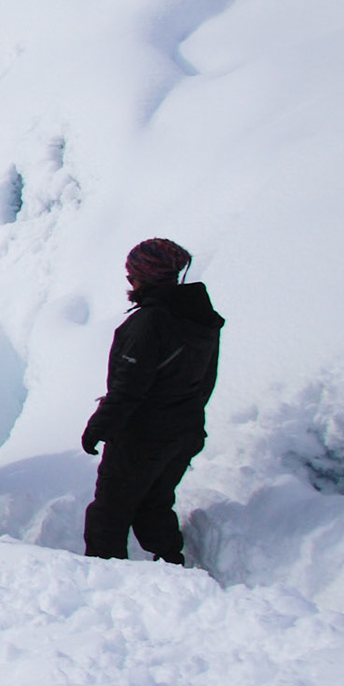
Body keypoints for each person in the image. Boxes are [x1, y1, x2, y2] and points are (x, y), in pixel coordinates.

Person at [81, 238, 224, 564]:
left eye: (132, 275)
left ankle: (105, 578)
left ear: (145, 278)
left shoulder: (148, 324)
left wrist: (97, 428)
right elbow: (206, 381)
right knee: (154, 503)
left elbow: (129, 389)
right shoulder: (201, 316)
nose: (129, 281)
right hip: (185, 430)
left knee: (109, 514)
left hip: (143, 437)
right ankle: (171, 563)